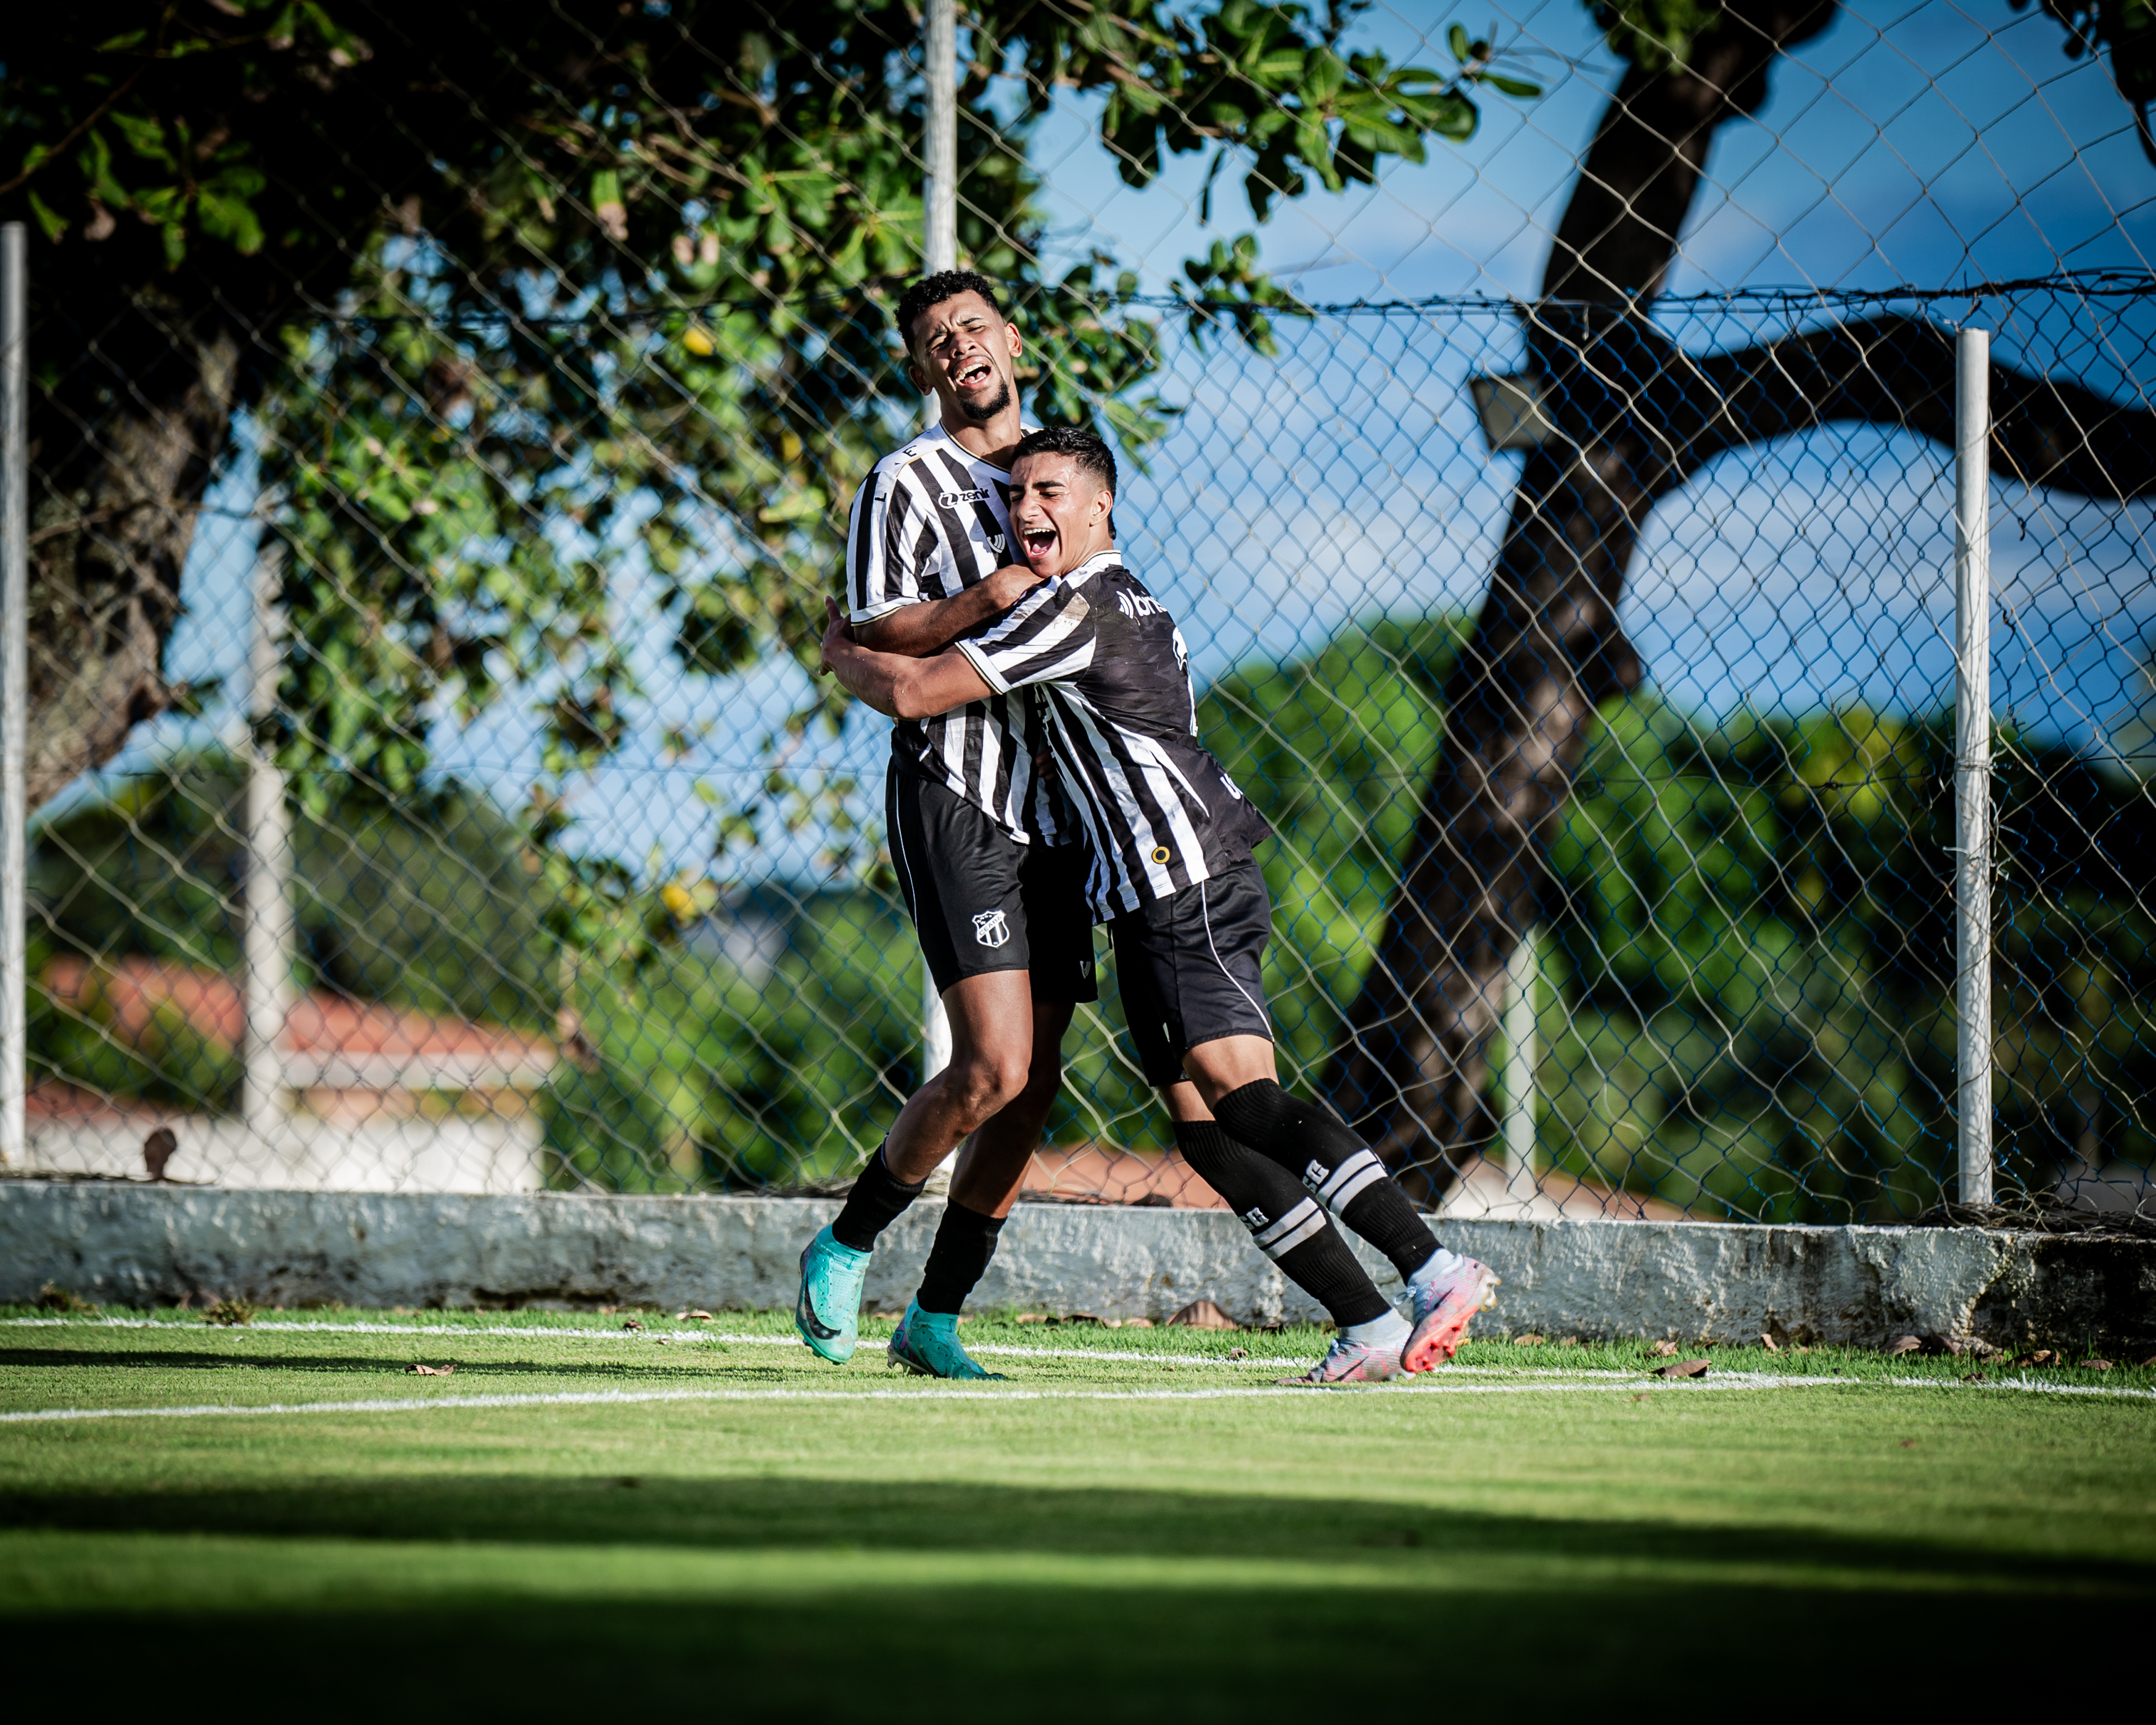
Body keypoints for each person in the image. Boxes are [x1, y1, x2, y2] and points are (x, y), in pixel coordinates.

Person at [818, 426, 1500, 1383]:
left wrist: (844, 651)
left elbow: (922, 689)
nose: (1025, 512)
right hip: (1146, 893)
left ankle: (1433, 1268)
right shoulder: (1131, 595)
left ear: (1101, 504)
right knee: (1209, 1132)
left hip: (1180, 884)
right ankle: (1369, 1324)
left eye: (1049, 492)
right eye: (1014, 497)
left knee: (1248, 1104)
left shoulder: (1073, 608)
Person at [792, 271, 1095, 1381]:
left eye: (973, 324)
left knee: (1039, 1074)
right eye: (936, 338)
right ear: (924, 370)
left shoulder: (1060, 469)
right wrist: (992, 593)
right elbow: (879, 625)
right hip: (956, 792)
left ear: (1012, 341)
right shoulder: (904, 480)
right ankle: (849, 1238)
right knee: (991, 1063)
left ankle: (937, 1318)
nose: (959, 344)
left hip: (1067, 807)